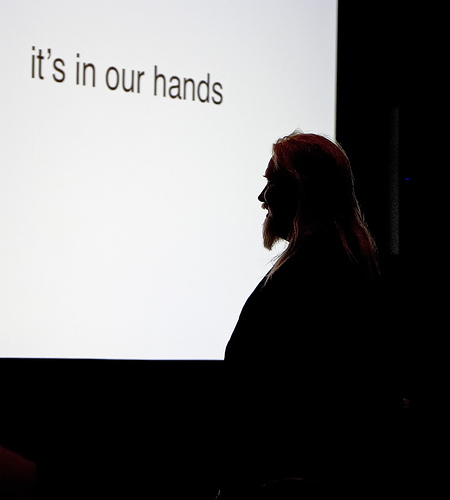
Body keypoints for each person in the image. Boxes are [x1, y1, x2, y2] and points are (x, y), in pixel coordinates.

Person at [220, 132, 396, 497]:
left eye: (271, 182)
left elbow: (300, 394)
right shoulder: (337, 262)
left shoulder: (317, 269)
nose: (262, 197)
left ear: (301, 188)